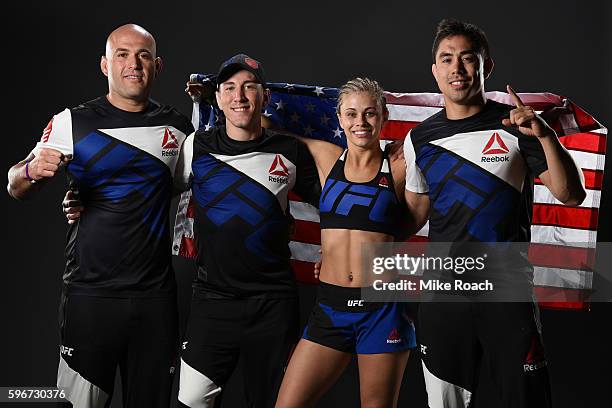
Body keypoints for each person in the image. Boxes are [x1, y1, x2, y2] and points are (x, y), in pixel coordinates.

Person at [7, 24, 193, 407]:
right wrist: (30, 172)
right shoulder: (70, 122)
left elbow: (182, 187)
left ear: (157, 66)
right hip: (91, 297)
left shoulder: (177, 128)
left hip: (155, 300)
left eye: (143, 56)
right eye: (122, 55)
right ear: (105, 65)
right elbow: (15, 184)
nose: (133, 64)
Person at [403, 19, 586, 407]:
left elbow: (571, 194)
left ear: (486, 65)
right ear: (435, 71)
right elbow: (412, 216)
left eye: (467, 58)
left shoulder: (517, 125)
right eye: (446, 59)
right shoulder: (418, 138)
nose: (457, 68)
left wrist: (544, 135)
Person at [174, 54, 321, 408]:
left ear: (264, 96)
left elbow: (333, 207)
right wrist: (85, 199)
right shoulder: (196, 146)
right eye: (229, 88)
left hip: (273, 305)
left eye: (248, 87)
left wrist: (332, 250)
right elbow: (150, 189)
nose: (239, 96)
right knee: (191, 401)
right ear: (219, 99)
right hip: (212, 303)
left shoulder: (290, 151)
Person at [275, 77, 416, 408]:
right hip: (330, 308)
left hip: (381, 309)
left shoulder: (399, 163)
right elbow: (270, 130)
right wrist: (212, 98)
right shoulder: (327, 157)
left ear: (383, 115)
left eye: (369, 113)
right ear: (339, 118)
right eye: (351, 114)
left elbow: (447, 136)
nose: (360, 123)